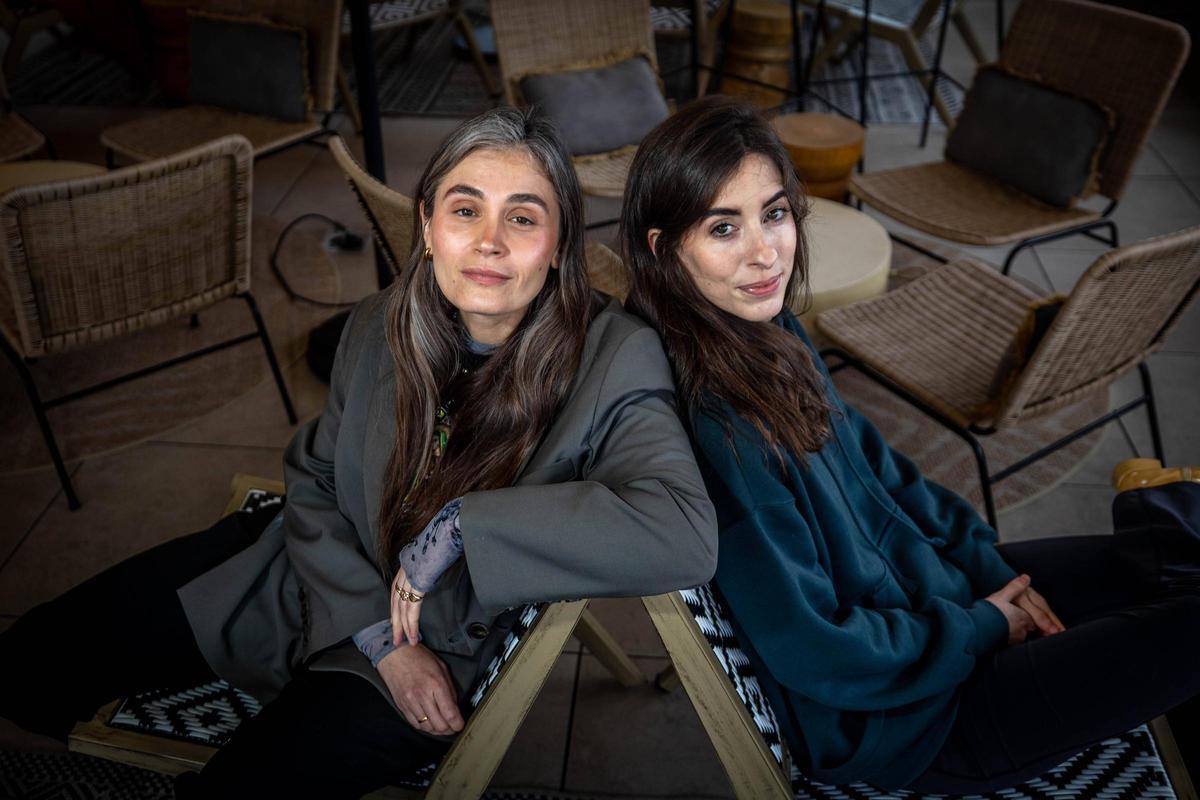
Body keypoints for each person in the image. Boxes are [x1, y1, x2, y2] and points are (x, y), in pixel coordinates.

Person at [0, 107, 717, 798]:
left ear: (559, 244)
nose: (489, 241)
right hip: (306, 570)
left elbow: (682, 533)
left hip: (441, 636)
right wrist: (378, 633)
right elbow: (314, 479)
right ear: (428, 227)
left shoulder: (616, 355)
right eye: (465, 210)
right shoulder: (380, 321)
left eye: (523, 218)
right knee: (29, 662)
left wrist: (461, 526)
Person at [619, 95, 1200, 794]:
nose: (765, 252)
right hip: (918, 720)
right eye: (723, 228)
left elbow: (880, 470)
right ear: (664, 249)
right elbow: (819, 649)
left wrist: (985, 572)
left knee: (1168, 558)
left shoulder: (764, 333)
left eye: (773, 214)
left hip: (934, 604)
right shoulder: (722, 434)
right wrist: (983, 627)